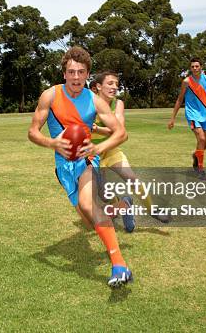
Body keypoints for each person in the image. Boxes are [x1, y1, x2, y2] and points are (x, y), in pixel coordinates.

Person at [28, 46, 132, 288]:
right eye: (71, 72)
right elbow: (32, 133)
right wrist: (52, 142)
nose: (76, 77)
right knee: (89, 221)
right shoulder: (50, 96)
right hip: (62, 167)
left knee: (89, 204)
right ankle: (123, 205)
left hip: (86, 160)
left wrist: (97, 148)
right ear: (64, 73)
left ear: (88, 75)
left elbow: (121, 133)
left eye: (81, 72)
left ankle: (119, 265)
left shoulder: (95, 101)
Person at [92, 71, 170, 227]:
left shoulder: (118, 103)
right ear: (98, 86)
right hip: (94, 154)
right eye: (110, 83)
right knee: (104, 194)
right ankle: (124, 206)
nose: (114, 87)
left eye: (116, 84)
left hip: (111, 149)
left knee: (132, 178)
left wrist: (96, 128)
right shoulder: (89, 103)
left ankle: (153, 210)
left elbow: (120, 130)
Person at [167, 58, 206, 180]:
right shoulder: (186, 81)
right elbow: (179, 100)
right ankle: (200, 170)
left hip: (204, 115)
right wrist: (172, 119)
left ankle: (196, 155)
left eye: (197, 66)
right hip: (192, 114)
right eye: (192, 67)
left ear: (201, 67)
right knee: (201, 138)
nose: (195, 68)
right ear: (190, 68)